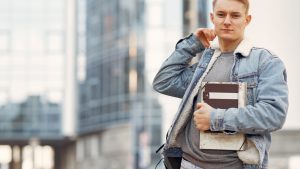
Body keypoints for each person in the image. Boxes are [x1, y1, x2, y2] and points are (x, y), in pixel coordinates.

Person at [152, 0, 289, 168]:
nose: (227, 21)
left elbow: (274, 114)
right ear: (212, 17)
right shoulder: (206, 62)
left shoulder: (266, 62)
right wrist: (192, 44)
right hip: (188, 164)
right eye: (221, 14)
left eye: (235, 15)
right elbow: (164, 82)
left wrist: (216, 119)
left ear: (247, 20)